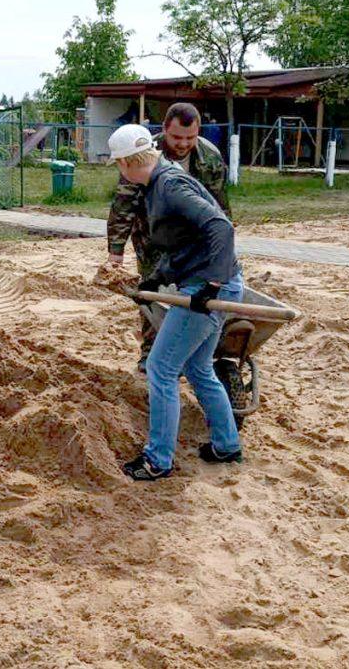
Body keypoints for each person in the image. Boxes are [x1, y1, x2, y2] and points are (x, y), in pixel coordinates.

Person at [106, 124, 246, 480]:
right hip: (208, 282)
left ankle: (157, 460)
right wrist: (158, 275)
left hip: (210, 288)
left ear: (124, 163)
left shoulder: (169, 185)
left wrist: (211, 284)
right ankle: (226, 445)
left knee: (161, 368)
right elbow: (183, 242)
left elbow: (220, 227)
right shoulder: (159, 183)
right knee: (199, 368)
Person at [106, 103, 230, 372]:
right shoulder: (141, 153)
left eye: (190, 137)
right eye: (176, 137)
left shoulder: (210, 156)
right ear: (164, 130)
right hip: (152, 236)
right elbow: (123, 205)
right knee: (152, 294)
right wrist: (116, 250)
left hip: (192, 241)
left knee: (194, 289)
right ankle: (150, 351)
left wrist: (220, 254)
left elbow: (218, 206)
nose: (183, 143)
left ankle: (192, 346)